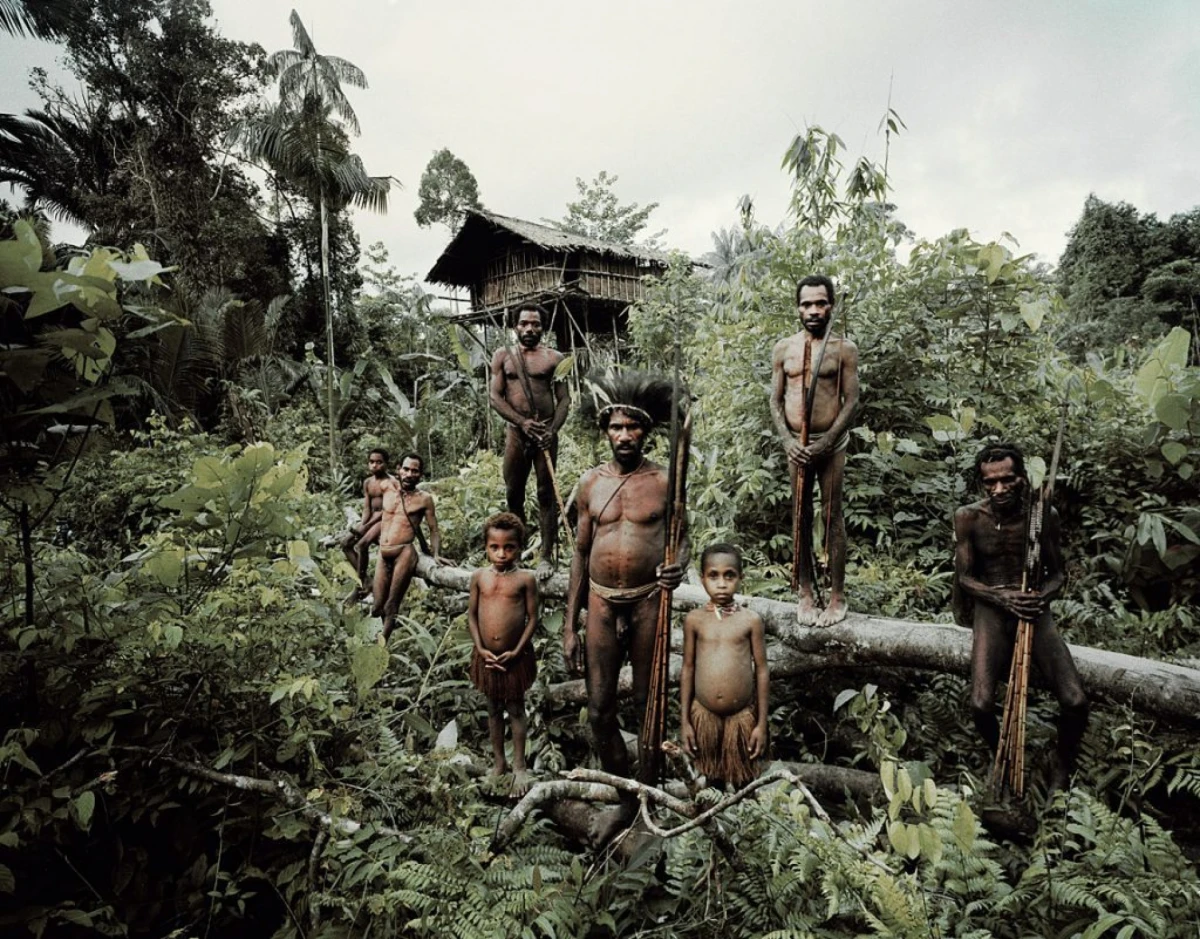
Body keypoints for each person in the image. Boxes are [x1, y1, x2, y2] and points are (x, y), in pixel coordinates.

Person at [563, 371, 687, 808]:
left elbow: (682, 539)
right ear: (605, 432)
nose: (625, 435)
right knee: (599, 710)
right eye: (616, 427)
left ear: (645, 432)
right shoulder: (590, 483)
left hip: (648, 601)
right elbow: (581, 553)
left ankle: (648, 796)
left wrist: (678, 566)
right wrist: (570, 626)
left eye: (633, 426)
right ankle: (626, 795)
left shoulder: (664, 481)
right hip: (600, 601)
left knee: (648, 706)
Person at [953, 442, 1088, 792]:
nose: (999, 489)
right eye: (990, 482)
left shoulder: (1042, 516)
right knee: (981, 705)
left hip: (1031, 606)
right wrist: (1000, 596)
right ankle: (1002, 756)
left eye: (1007, 480)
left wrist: (1039, 598)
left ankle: (1061, 762)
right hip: (991, 606)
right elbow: (965, 578)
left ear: (1023, 478)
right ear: (981, 483)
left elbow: (1058, 575)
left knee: (1075, 700)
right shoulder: (968, 517)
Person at [770, 274, 860, 627]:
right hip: (797, 444)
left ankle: (837, 597)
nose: (813, 310)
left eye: (820, 303)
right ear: (797, 308)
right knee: (801, 515)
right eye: (806, 304)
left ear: (831, 306)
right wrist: (788, 441)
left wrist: (826, 441)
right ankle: (805, 593)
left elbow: (851, 400)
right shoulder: (784, 348)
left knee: (832, 515)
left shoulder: (844, 349)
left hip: (831, 443)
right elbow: (775, 400)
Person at [488, 302, 571, 575]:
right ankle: (516, 555)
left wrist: (552, 431)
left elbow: (564, 399)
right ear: (515, 327)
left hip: (545, 435)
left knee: (546, 494)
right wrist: (521, 422)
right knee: (514, 493)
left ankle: (546, 557)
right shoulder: (503, 355)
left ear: (543, 328)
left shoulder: (554, 358)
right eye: (524, 323)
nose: (529, 329)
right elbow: (495, 397)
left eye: (535, 324)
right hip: (517, 433)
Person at [680, 544, 769, 788]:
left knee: (744, 782)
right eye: (713, 576)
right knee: (712, 781)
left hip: (742, 716)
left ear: (741, 578)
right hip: (704, 715)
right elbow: (688, 668)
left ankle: (745, 811)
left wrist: (761, 724)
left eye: (729, 576)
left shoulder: (750, 620)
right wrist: (685, 721)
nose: (721, 584)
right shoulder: (695, 620)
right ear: (702, 579)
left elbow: (762, 670)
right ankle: (715, 812)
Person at [467, 512, 539, 797]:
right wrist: (481, 648)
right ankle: (499, 763)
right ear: (485, 547)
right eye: (494, 547)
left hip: (515, 657)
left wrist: (517, 651)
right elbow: (472, 615)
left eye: (509, 547)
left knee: (516, 708)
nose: (501, 554)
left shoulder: (525, 579)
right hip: (486, 657)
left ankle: (519, 766)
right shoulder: (479, 578)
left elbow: (532, 618)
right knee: (493, 708)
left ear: (519, 547)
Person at [373, 453, 444, 640]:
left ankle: (381, 647)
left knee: (391, 604)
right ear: (398, 469)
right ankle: (380, 635)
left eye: (415, 471)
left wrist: (436, 554)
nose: (409, 474)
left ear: (420, 475)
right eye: (406, 469)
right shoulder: (387, 488)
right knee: (377, 606)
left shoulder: (424, 499)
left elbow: (433, 529)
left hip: (404, 552)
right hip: (383, 552)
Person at [344, 448, 392, 603]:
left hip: (385, 520)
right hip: (372, 519)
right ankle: (366, 581)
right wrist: (362, 524)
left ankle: (359, 586)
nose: (374, 465)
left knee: (362, 544)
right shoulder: (368, 482)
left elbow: (387, 510)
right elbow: (367, 508)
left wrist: (366, 527)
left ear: (386, 464)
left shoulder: (391, 483)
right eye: (371, 462)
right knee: (345, 544)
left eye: (379, 462)